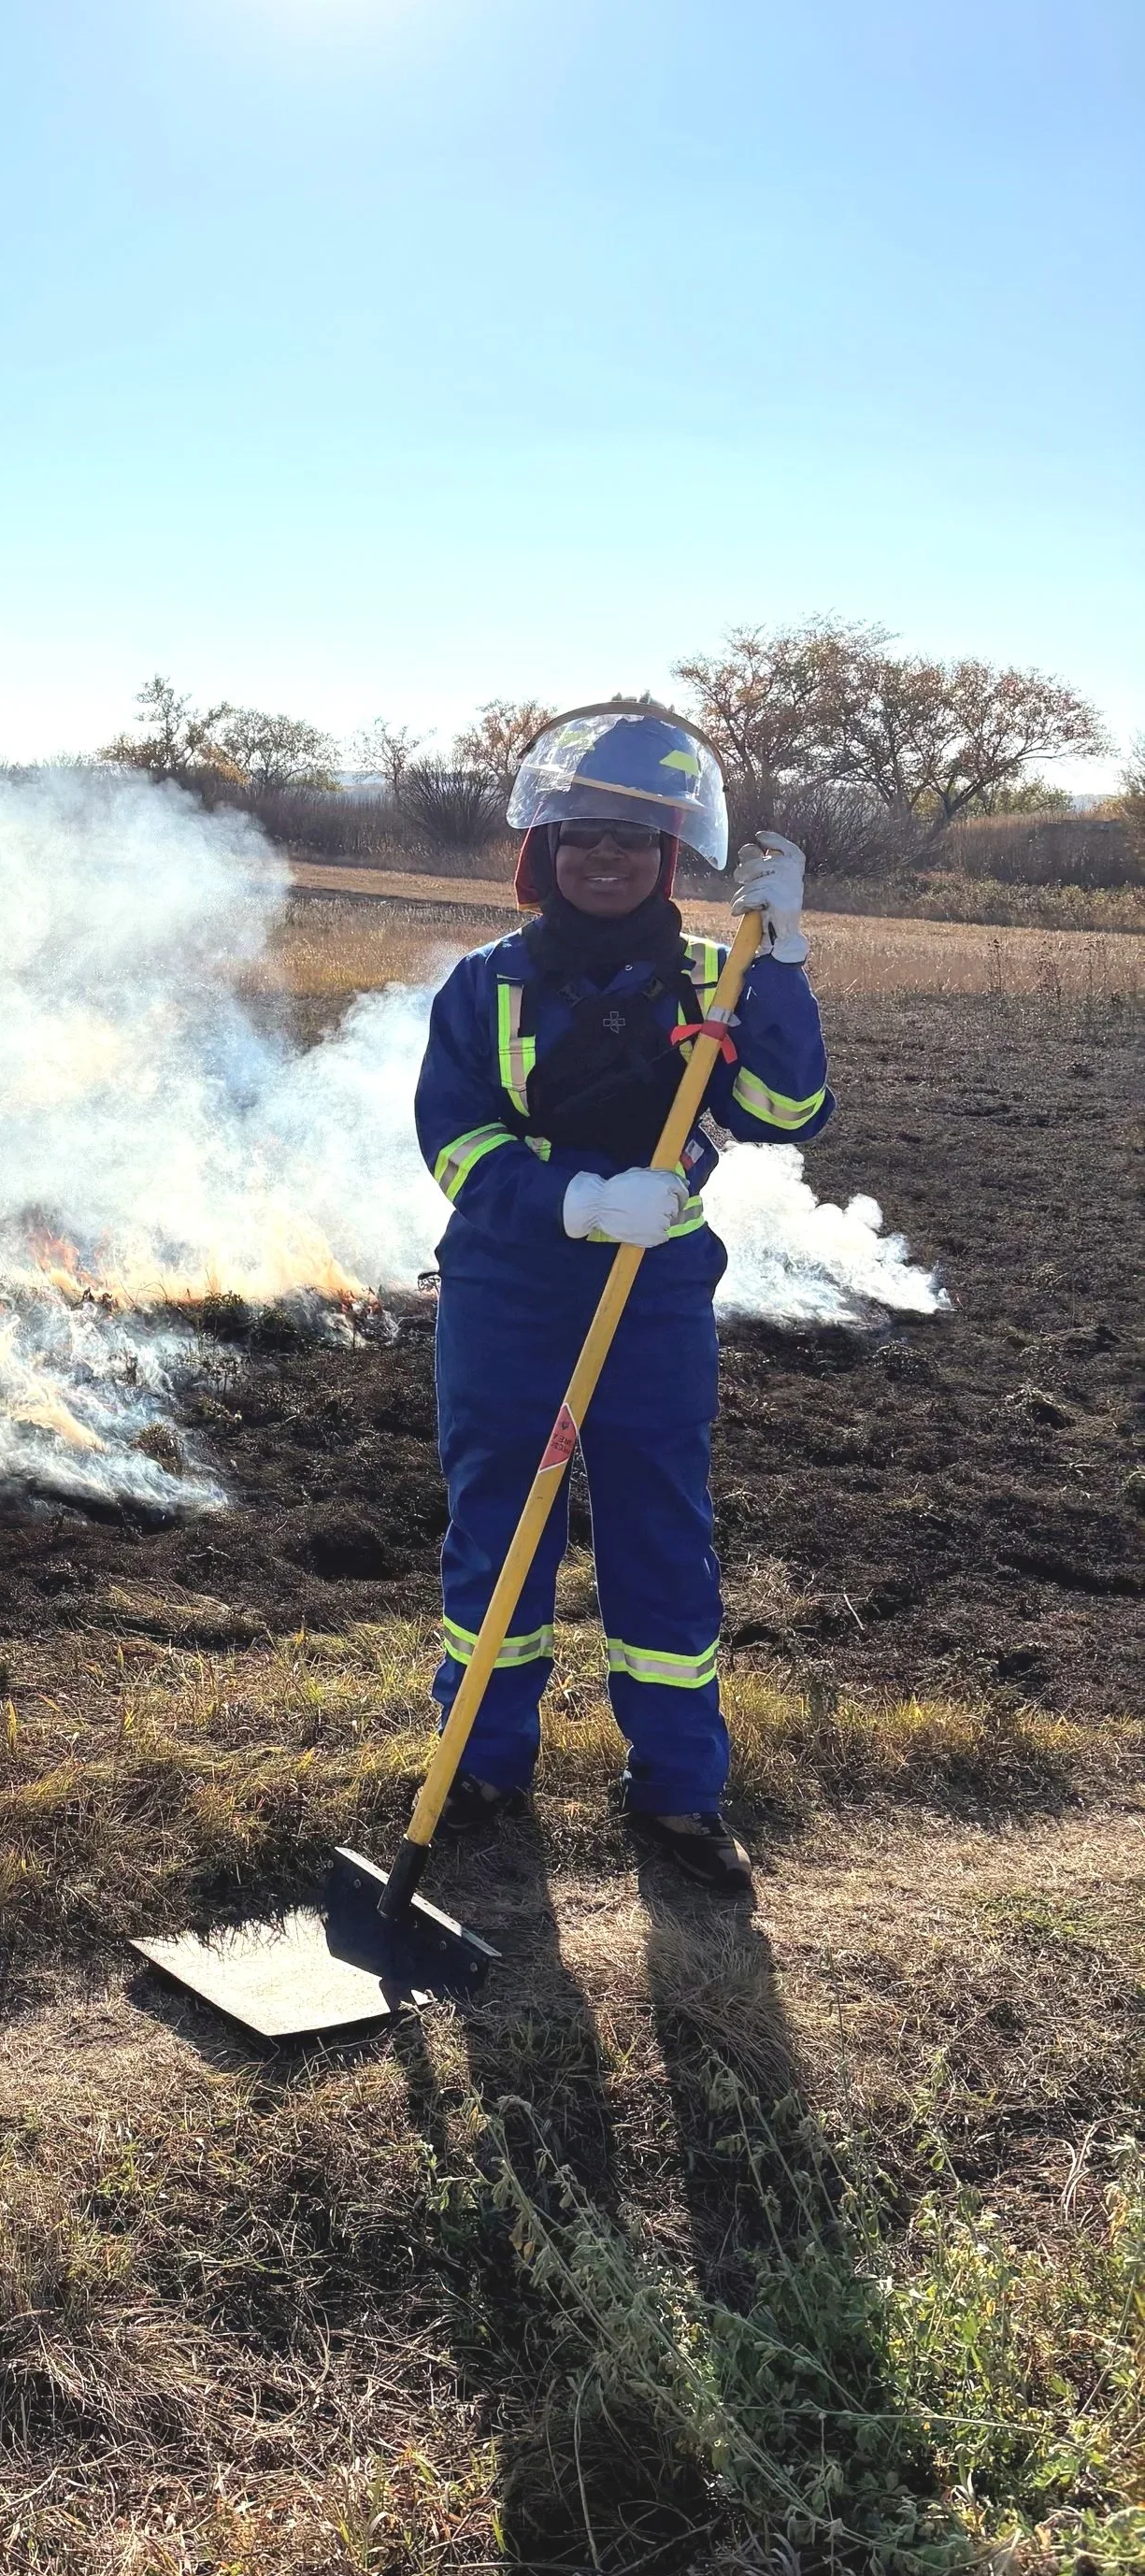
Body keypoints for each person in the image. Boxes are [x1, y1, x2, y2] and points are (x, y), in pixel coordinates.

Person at [410, 708, 831, 1894]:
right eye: (584, 836)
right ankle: (478, 1768)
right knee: (500, 1530)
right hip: (509, 1288)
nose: (607, 858)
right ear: (544, 850)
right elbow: (454, 1143)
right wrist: (580, 1202)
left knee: (659, 1533)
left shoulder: (718, 975)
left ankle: (680, 1793)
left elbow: (789, 1113)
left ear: (668, 857)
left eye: (634, 841)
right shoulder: (484, 984)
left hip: (653, 1299)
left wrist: (783, 960)